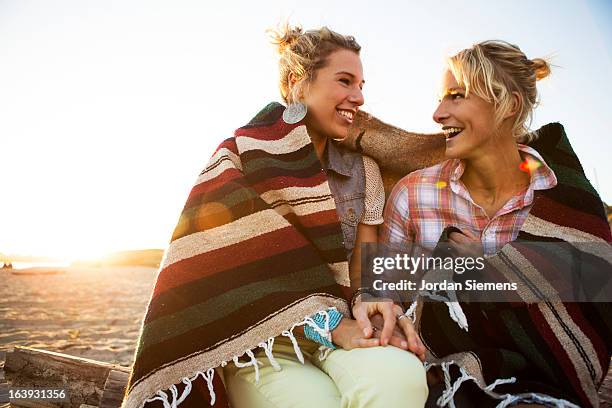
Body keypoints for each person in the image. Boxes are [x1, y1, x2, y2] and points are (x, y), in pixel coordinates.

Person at [123, 25, 427, 408]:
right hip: (265, 345)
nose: (359, 97)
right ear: (298, 82)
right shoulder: (239, 158)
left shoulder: (363, 171)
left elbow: (364, 264)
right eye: (345, 81)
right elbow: (230, 271)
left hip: (349, 330)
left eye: (362, 84)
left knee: (401, 380)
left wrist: (369, 299)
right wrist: (329, 327)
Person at [381, 40, 612, 407]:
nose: (438, 113)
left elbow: (590, 309)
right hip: (430, 383)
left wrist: (491, 271)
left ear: (509, 106)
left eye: (456, 96)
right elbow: (386, 299)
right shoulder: (413, 195)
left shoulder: (565, 200)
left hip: (548, 391)